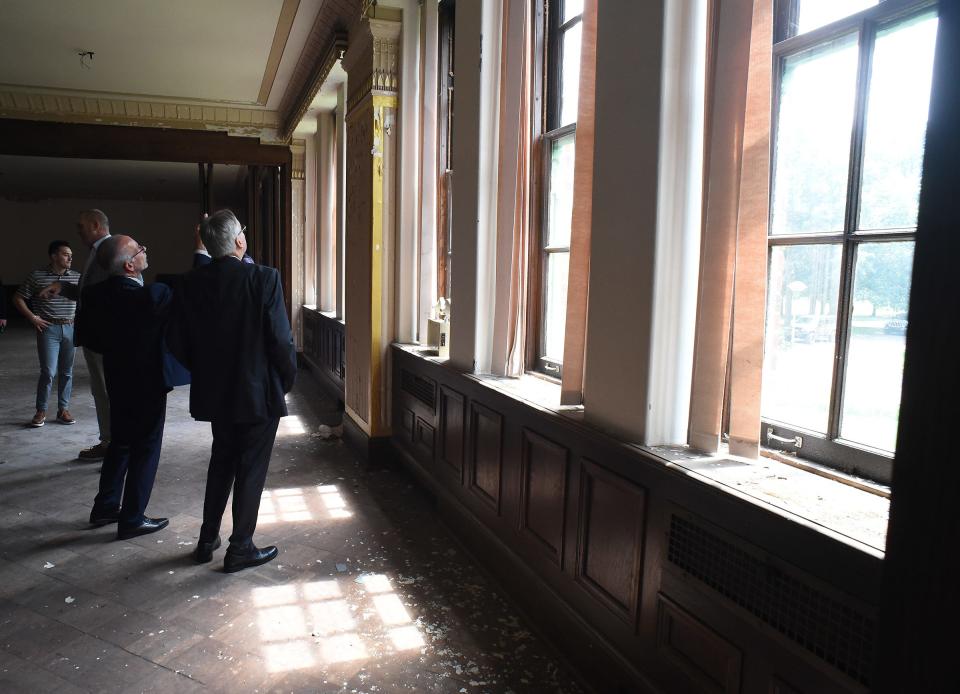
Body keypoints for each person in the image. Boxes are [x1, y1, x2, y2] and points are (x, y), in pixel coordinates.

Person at [168, 209, 296, 572]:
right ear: (240, 240)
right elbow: (281, 341)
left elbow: (176, 341)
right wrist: (284, 382)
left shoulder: (190, 283)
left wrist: (207, 371)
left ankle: (207, 538)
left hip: (217, 394)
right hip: (257, 394)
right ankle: (240, 547)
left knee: (222, 461)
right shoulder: (263, 278)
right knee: (251, 468)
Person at [83, 235, 171, 538]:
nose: (145, 250)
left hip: (116, 376)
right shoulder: (151, 296)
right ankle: (133, 517)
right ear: (130, 264)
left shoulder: (95, 295)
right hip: (147, 383)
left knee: (121, 443)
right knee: (146, 447)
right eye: (139, 249)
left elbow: (89, 339)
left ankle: (106, 505)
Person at [43, 210, 114, 460]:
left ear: (95, 225)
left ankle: (113, 445)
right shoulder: (97, 253)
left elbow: (115, 294)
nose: (78, 231)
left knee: (107, 391)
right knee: (102, 390)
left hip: (105, 337)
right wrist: (63, 287)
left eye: (81, 226)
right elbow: (91, 293)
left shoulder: (110, 252)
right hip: (96, 336)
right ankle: (109, 441)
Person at [12, 241, 81, 427]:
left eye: (71, 254)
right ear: (53, 256)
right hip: (48, 329)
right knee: (49, 371)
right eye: (66, 254)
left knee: (67, 372)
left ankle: (63, 410)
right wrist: (33, 318)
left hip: (70, 328)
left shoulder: (76, 277)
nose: (70, 258)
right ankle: (41, 410)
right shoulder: (37, 276)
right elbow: (18, 297)